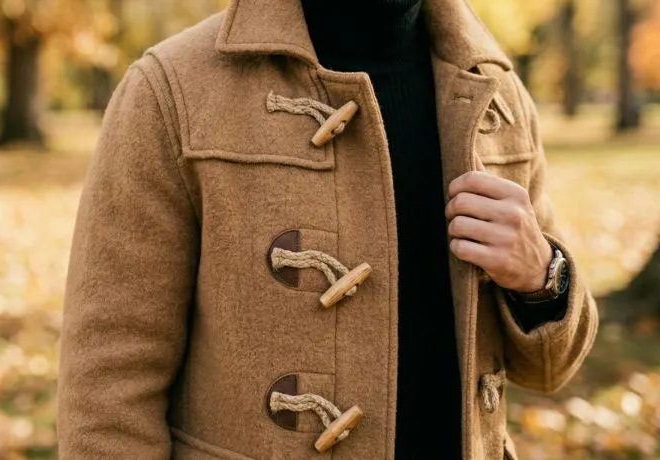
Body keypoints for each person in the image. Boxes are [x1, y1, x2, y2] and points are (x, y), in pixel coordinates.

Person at [58, 0, 599, 458]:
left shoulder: (495, 94)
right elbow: (107, 392)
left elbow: (552, 367)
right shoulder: (172, 89)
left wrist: (543, 276)